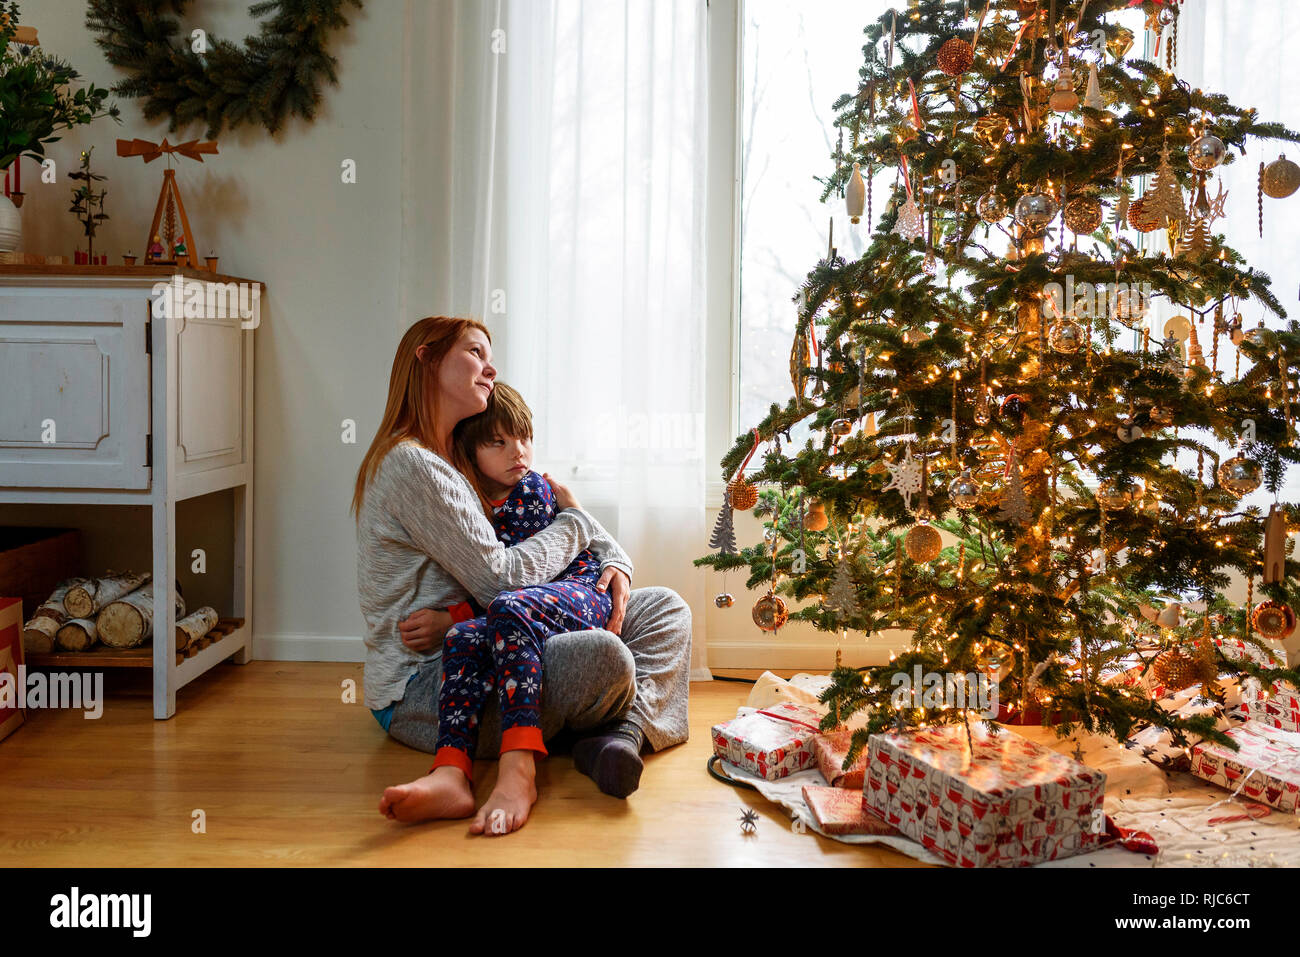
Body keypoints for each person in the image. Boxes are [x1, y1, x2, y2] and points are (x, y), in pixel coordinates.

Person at [353, 316, 691, 834]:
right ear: (426, 358)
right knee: (605, 657)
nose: (490, 368)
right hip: (431, 682)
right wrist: (578, 520)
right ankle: (591, 732)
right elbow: (503, 581)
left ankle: (619, 737)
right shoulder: (413, 465)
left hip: (501, 636)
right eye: (475, 352)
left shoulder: (461, 457)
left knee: (666, 606)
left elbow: (557, 520)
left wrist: (615, 560)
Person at [429, 382, 620, 833]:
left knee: (503, 610)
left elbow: (515, 578)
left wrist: (453, 613)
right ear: (470, 450)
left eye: (524, 437)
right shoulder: (470, 500)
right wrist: (457, 625)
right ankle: (450, 768)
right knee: (462, 641)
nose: (519, 451)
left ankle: (520, 763)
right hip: (528, 606)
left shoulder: (532, 492)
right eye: (499, 441)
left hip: (580, 592)